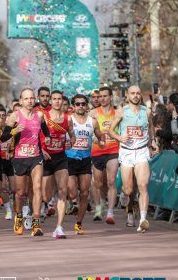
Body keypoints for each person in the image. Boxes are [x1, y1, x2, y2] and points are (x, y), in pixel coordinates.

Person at [2, 88, 51, 237]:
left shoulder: (39, 115)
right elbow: (3, 137)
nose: (30, 101)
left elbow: (45, 131)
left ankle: (36, 223)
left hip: (36, 156)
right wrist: (14, 131)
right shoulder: (14, 116)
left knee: (37, 188)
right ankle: (18, 217)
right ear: (21, 101)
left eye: (32, 98)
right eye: (26, 98)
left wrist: (48, 138)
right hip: (20, 157)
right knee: (20, 193)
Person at [108, 85, 155, 233]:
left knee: (143, 185)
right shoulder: (122, 111)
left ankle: (142, 219)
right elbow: (110, 130)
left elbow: (151, 127)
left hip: (141, 151)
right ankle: (124, 194)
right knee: (128, 189)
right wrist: (119, 137)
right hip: (127, 152)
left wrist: (152, 142)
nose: (135, 96)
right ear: (127, 96)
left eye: (138, 93)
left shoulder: (146, 111)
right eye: (132, 93)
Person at [65, 94, 102, 236]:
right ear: (73, 106)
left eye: (83, 104)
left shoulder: (93, 122)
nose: (80, 106)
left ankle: (79, 223)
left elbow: (100, 136)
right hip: (69, 159)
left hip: (85, 160)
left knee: (85, 193)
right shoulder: (69, 120)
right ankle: (69, 202)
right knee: (73, 193)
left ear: (86, 106)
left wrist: (101, 141)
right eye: (77, 104)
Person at [40, 91, 70, 239]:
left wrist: (71, 142)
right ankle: (44, 205)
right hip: (46, 158)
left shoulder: (67, 118)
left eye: (59, 99)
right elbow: (35, 135)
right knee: (46, 196)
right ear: (51, 101)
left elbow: (72, 136)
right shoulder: (44, 117)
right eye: (55, 99)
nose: (57, 101)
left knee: (63, 190)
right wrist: (42, 150)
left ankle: (59, 227)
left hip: (60, 157)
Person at [89, 86, 119, 224]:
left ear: (111, 97)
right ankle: (98, 207)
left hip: (113, 150)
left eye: (105, 96)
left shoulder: (117, 113)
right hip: (97, 151)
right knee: (98, 183)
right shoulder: (93, 113)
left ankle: (110, 213)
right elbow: (87, 128)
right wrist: (93, 138)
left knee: (111, 181)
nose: (102, 98)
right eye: (100, 96)